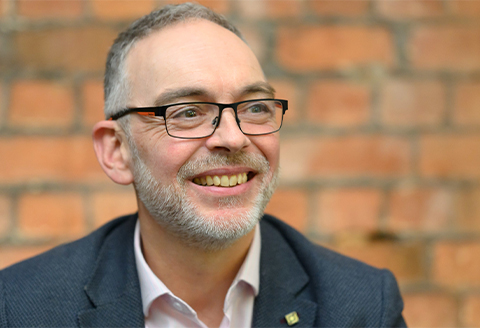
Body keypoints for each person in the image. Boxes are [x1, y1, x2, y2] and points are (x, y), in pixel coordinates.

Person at [0, 3, 406, 327]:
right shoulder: (21, 308)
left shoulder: (363, 306)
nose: (233, 137)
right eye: (188, 112)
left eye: (255, 107)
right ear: (117, 151)